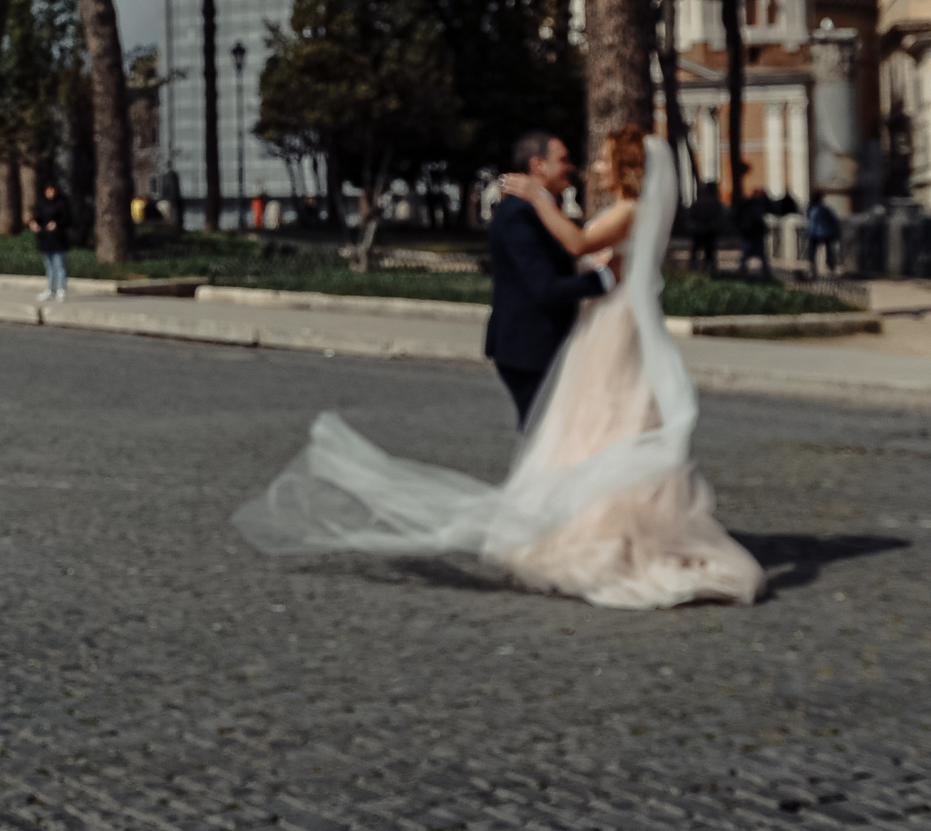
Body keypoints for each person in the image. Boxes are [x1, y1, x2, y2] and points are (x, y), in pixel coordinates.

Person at [236, 129, 763, 610]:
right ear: (538, 167)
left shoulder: (624, 209)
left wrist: (546, 209)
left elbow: (579, 246)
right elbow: (569, 260)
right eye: (568, 160)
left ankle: (584, 533)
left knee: (587, 435)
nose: (585, 166)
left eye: (600, 159)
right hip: (573, 333)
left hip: (607, 330)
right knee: (581, 435)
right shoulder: (554, 213)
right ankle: (576, 529)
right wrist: (583, 260)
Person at [480, 131, 615, 427]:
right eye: (563, 160)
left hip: (541, 347)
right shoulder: (519, 215)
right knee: (541, 438)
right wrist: (604, 279)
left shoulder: (539, 211)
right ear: (539, 166)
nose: (571, 167)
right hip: (528, 350)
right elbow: (545, 288)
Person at [28, 179, 74, 303]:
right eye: (48, 191)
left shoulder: (62, 203)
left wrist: (57, 224)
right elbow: (38, 217)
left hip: (59, 240)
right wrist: (34, 224)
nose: (50, 193)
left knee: (59, 265)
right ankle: (50, 289)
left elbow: (67, 220)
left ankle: (61, 289)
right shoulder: (42, 204)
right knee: (49, 266)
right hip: (45, 239)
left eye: (52, 191)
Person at [683, 181, 724, 274]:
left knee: (696, 250)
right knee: (709, 251)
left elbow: (692, 215)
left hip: (699, 230)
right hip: (710, 230)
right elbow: (719, 216)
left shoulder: (700, 201)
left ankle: (693, 266)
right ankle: (709, 267)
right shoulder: (714, 202)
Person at [803, 193, 842, 278]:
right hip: (825, 232)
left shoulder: (811, 209)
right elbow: (833, 220)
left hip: (814, 233)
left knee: (812, 252)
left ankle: (813, 270)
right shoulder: (824, 209)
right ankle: (830, 269)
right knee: (828, 252)